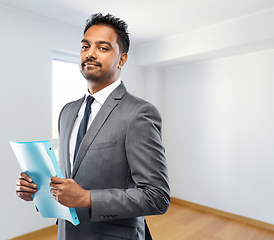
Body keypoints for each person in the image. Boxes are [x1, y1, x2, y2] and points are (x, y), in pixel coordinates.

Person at [16, 13, 170, 240]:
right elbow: (70, 179)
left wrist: (87, 198)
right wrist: (37, 193)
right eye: (85, 46)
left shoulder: (138, 113)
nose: (90, 53)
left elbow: (157, 197)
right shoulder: (67, 111)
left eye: (103, 48)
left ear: (122, 59)